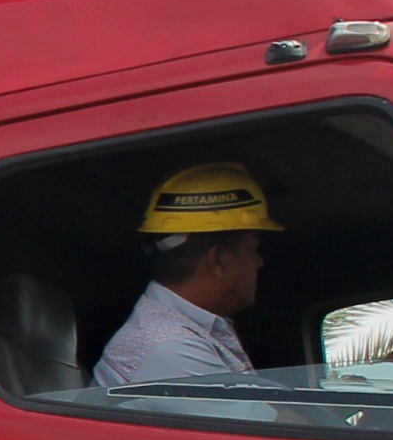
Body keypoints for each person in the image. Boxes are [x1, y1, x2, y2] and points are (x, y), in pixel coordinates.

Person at [92, 160, 277, 390]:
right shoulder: (172, 348)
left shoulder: (182, 330)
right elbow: (261, 415)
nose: (259, 262)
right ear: (217, 260)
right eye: (253, 250)